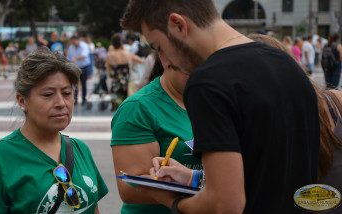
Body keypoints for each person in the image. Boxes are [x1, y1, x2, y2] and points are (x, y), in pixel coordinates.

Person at [120, 1, 320, 213]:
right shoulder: (287, 65)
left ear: (178, 25)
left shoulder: (208, 82)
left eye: (159, 48)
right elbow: (267, 171)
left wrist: (174, 203)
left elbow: (225, 204)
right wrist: (193, 178)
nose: (165, 62)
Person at [0, 46, 108, 213]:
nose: (61, 103)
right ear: (22, 101)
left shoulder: (81, 150)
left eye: (67, 93)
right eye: (48, 94)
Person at [111, 55, 202, 214]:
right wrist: (193, 185)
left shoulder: (212, 99)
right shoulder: (138, 108)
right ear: (167, 58)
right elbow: (130, 188)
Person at [105, 33, 142, 111]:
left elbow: (108, 69)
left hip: (116, 85)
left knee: (117, 109)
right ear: (121, 43)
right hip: (127, 84)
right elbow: (140, 60)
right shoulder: (128, 54)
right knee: (127, 107)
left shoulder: (109, 56)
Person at [67, 35, 90, 105]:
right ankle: (75, 99)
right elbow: (69, 57)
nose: (73, 44)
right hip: (75, 67)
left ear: (77, 40)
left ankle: (84, 99)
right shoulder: (71, 47)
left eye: (74, 42)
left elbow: (84, 55)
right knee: (75, 83)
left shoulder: (84, 46)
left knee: (84, 83)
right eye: (72, 42)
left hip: (84, 67)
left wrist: (76, 58)